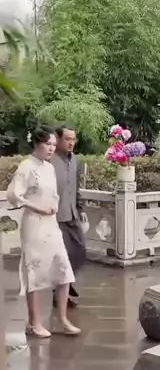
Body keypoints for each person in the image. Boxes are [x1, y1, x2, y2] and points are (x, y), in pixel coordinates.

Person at [6, 125, 81, 338]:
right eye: (48, 144)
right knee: (35, 273)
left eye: (53, 145)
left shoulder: (49, 167)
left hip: (51, 224)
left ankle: (64, 319)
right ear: (37, 143)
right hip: (34, 225)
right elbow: (14, 195)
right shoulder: (26, 167)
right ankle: (34, 323)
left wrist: (54, 206)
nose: (51, 148)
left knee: (64, 269)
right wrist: (37, 207)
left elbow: (54, 194)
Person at [51, 125, 87, 309]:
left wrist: (81, 209)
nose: (71, 142)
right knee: (62, 256)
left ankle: (65, 284)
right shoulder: (49, 161)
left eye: (73, 139)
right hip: (56, 217)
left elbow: (76, 188)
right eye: (67, 139)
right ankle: (60, 293)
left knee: (80, 250)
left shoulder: (75, 160)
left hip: (73, 214)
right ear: (57, 140)